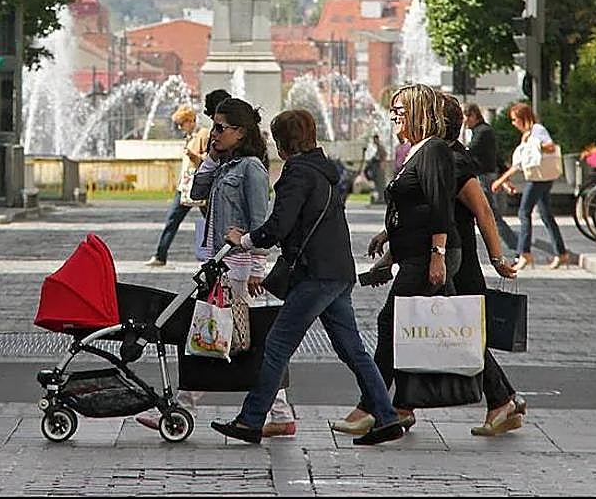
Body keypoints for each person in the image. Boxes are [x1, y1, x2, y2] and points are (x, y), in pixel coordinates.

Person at [210, 110, 406, 447]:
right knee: (352, 350)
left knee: (276, 345)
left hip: (315, 275)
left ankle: (251, 420)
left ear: (285, 142)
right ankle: (387, 418)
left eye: (277, 139)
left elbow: (279, 225)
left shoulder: (297, 172)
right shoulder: (325, 170)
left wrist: (243, 239)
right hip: (338, 272)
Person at [137, 97, 293, 435]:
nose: (214, 134)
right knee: (228, 336)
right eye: (213, 128)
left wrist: (257, 268)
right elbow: (196, 191)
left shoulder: (251, 168)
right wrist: (209, 157)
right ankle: (280, 413)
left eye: (221, 128)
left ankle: (183, 405)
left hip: (238, 268)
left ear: (241, 132)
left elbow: (259, 221)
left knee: (216, 335)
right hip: (218, 265)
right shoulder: (224, 165)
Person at [335, 83, 459, 435]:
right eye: (392, 111)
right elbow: (412, 207)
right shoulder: (416, 151)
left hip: (427, 256)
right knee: (403, 328)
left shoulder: (433, 150)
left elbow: (439, 207)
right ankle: (400, 405)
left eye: (400, 111)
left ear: (419, 113)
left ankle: (372, 407)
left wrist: (437, 256)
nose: (393, 117)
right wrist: (389, 241)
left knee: (391, 324)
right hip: (413, 254)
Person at [441, 95, 526, 436]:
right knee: (464, 334)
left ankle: (502, 401)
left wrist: (498, 258)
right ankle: (505, 399)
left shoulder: (454, 161)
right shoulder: (442, 156)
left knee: (465, 335)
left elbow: (484, 212)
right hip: (452, 258)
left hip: (458, 261)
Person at [146, 92, 227, 267]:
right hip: (185, 186)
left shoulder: (204, 134)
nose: (180, 127)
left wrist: (193, 156)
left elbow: (209, 160)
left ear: (191, 121)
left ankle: (219, 255)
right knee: (172, 220)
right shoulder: (189, 137)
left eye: (182, 123)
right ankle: (160, 255)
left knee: (212, 223)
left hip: (200, 185)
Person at [491, 103, 569, 269]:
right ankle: (561, 253)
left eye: (515, 119)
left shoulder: (537, 130)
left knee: (523, 212)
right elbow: (519, 164)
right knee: (546, 215)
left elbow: (550, 146)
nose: (513, 123)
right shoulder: (527, 134)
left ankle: (524, 253)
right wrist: (502, 180)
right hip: (538, 177)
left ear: (523, 118)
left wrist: (534, 144)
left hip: (539, 179)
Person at [463, 102, 518, 252]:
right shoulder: (483, 130)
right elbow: (496, 155)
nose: (464, 121)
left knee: (490, 214)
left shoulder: (482, 132)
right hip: (486, 175)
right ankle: (517, 244)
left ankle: (517, 245)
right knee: (488, 213)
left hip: (484, 177)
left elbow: (470, 151)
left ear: (473, 115)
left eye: (466, 117)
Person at [364, 134, 388, 204]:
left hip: (380, 167)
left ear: (377, 139)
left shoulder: (381, 147)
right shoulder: (378, 148)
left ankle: (382, 198)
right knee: (378, 183)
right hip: (377, 167)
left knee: (381, 183)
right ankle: (380, 197)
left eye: (375, 140)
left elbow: (383, 156)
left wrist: (379, 160)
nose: (374, 141)